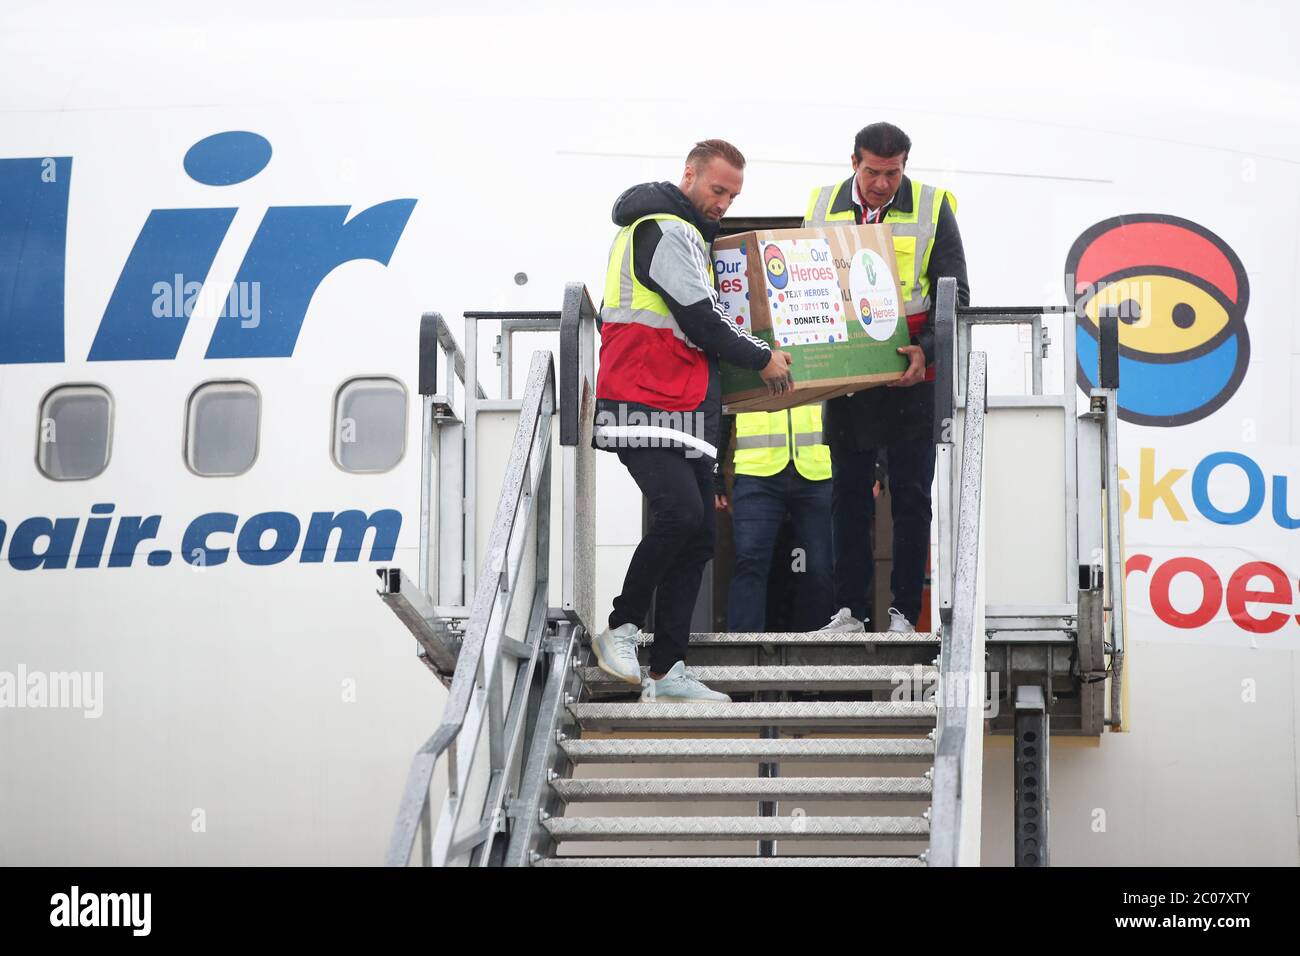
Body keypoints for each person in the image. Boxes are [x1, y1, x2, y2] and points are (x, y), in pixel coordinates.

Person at [591, 139, 794, 701]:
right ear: (690, 175)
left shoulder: (690, 236)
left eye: (733, 194)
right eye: (717, 189)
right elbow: (701, 320)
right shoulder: (663, 229)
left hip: (681, 402)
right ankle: (621, 629)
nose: (724, 201)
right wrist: (761, 356)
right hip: (645, 397)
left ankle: (668, 668)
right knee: (680, 517)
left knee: (702, 536)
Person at [804, 122, 969, 634]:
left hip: (911, 372)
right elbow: (802, 285)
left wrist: (925, 352)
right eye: (873, 172)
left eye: (892, 173)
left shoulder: (933, 205)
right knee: (848, 495)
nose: (881, 183)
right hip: (848, 371)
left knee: (912, 495)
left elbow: (955, 295)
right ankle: (849, 611)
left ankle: (902, 612)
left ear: (905, 166)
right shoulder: (820, 203)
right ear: (854, 161)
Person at [716, 406, 834, 633]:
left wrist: (872, 465)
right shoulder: (745, 367)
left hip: (818, 470)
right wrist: (715, 473)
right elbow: (725, 410)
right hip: (757, 471)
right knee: (750, 562)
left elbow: (848, 400)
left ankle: (818, 650)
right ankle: (743, 650)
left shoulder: (823, 366)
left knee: (821, 566)